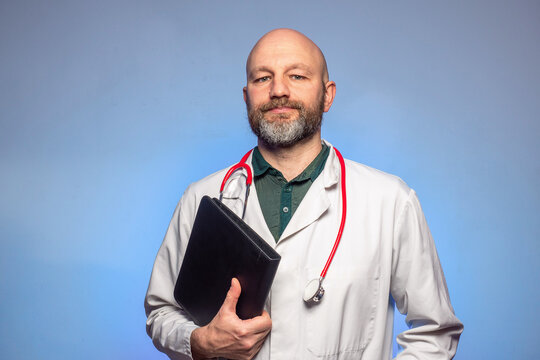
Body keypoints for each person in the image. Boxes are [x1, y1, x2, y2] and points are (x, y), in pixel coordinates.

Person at [145, 28, 464, 360]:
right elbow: (160, 311)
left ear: (328, 95)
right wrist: (201, 342)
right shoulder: (203, 198)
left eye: (296, 76)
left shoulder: (390, 201)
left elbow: (435, 332)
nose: (278, 90)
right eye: (262, 79)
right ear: (246, 97)